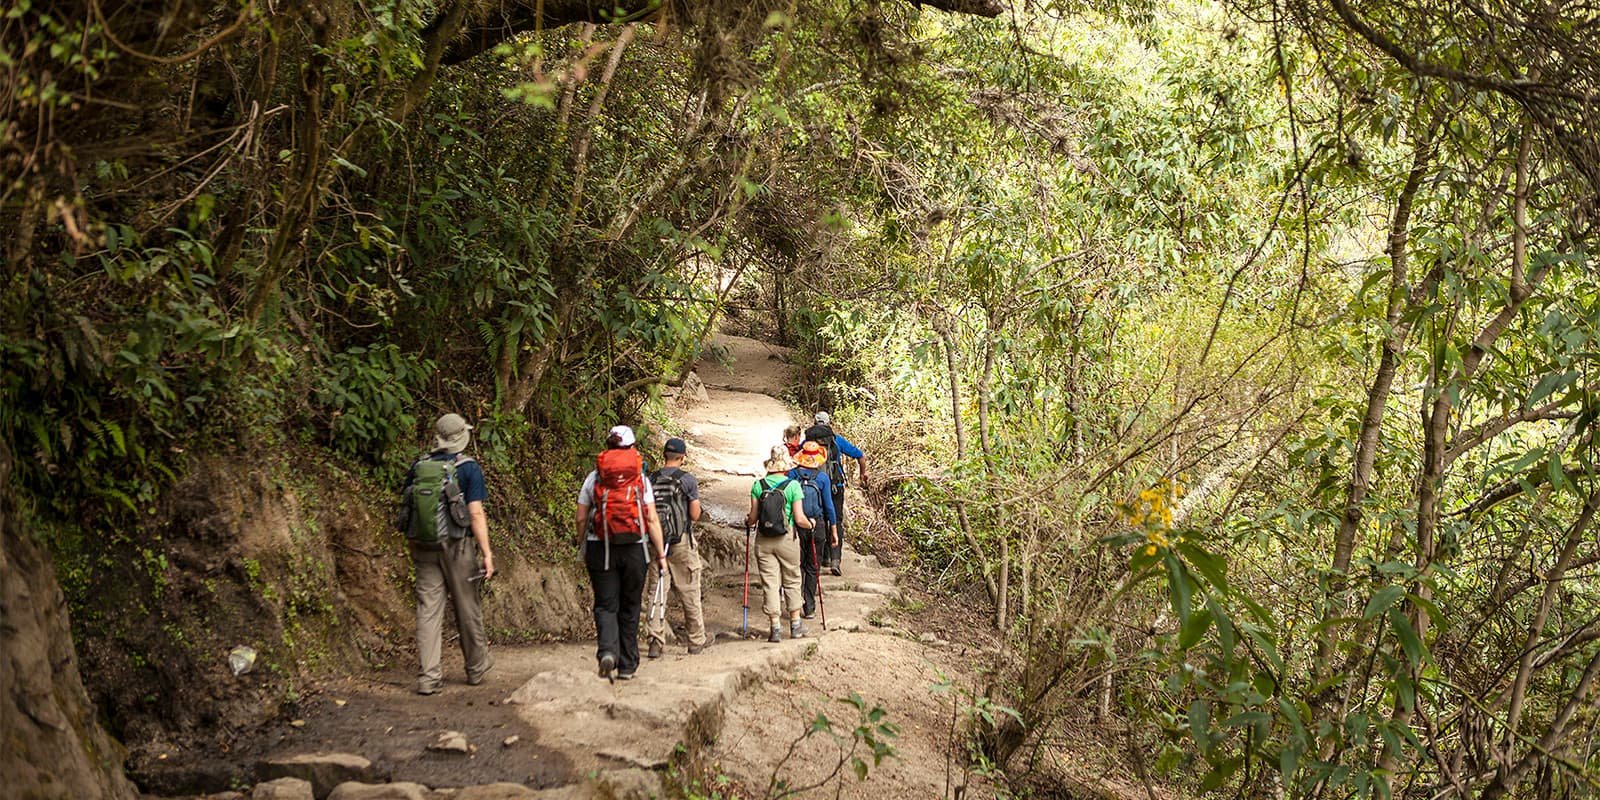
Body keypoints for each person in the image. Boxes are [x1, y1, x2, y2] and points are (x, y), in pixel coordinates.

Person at [401, 413, 495, 695]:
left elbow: (408, 509)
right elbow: (475, 513)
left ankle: (428, 677)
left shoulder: (419, 466)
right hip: (458, 548)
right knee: (467, 607)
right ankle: (476, 669)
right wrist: (487, 553)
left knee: (428, 611)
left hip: (424, 546)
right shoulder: (468, 468)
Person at [576, 425, 668, 681]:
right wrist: (660, 555)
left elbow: (581, 517)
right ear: (631, 447)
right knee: (630, 606)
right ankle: (627, 665)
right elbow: (651, 519)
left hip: (600, 546)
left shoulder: (594, 478)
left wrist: (581, 542)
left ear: (608, 446)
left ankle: (607, 651)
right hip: (635, 549)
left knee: (606, 605)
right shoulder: (640, 479)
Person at [644, 438, 712, 658]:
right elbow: (694, 515)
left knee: (656, 592)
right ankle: (696, 640)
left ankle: (655, 641)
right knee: (690, 590)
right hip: (681, 542)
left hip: (656, 542)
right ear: (682, 457)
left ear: (664, 455)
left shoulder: (650, 479)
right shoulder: (688, 480)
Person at [745, 445, 813, 642]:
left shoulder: (758, 486)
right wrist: (811, 524)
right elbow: (800, 519)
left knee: (770, 582)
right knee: (792, 578)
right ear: (786, 466)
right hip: (787, 539)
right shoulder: (793, 486)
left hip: (764, 540)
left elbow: (753, 518)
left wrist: (746, 522)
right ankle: (795, 625)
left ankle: (775, 627)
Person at [803, 411, 868, 575]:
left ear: (815, 422)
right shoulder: (836, 440)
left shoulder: (808, 441)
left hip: (815, 484)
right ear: (828, 422)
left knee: (820, 518)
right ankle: (835, 560)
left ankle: (820, 559)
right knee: (836, 519)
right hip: (835, 486)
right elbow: (860, 456)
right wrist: (862, 474)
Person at [787, 441, 838, 620]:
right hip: (817, 526)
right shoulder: (822, 478)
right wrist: (834, 529)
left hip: (796, 524)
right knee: (812, 566)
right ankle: (809, 607)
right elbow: (829, 506)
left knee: (796, 566)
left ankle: (794, 602)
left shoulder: (792, 475)